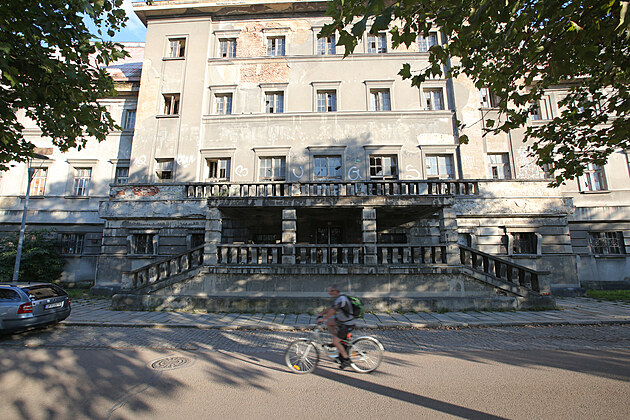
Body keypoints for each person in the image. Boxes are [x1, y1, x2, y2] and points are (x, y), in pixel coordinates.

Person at [317, 284, 356, 369]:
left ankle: (346, 360)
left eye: (331, 291)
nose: (329, 292)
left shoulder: (341, 299)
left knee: (336, 341)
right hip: (341, 321)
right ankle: (337, 342)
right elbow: (331, 308)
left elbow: (332, 311)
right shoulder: (339, 298)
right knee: (329, 322)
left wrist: (323, 319)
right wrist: (321, 314)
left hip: (347, 324)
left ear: (335, 291)